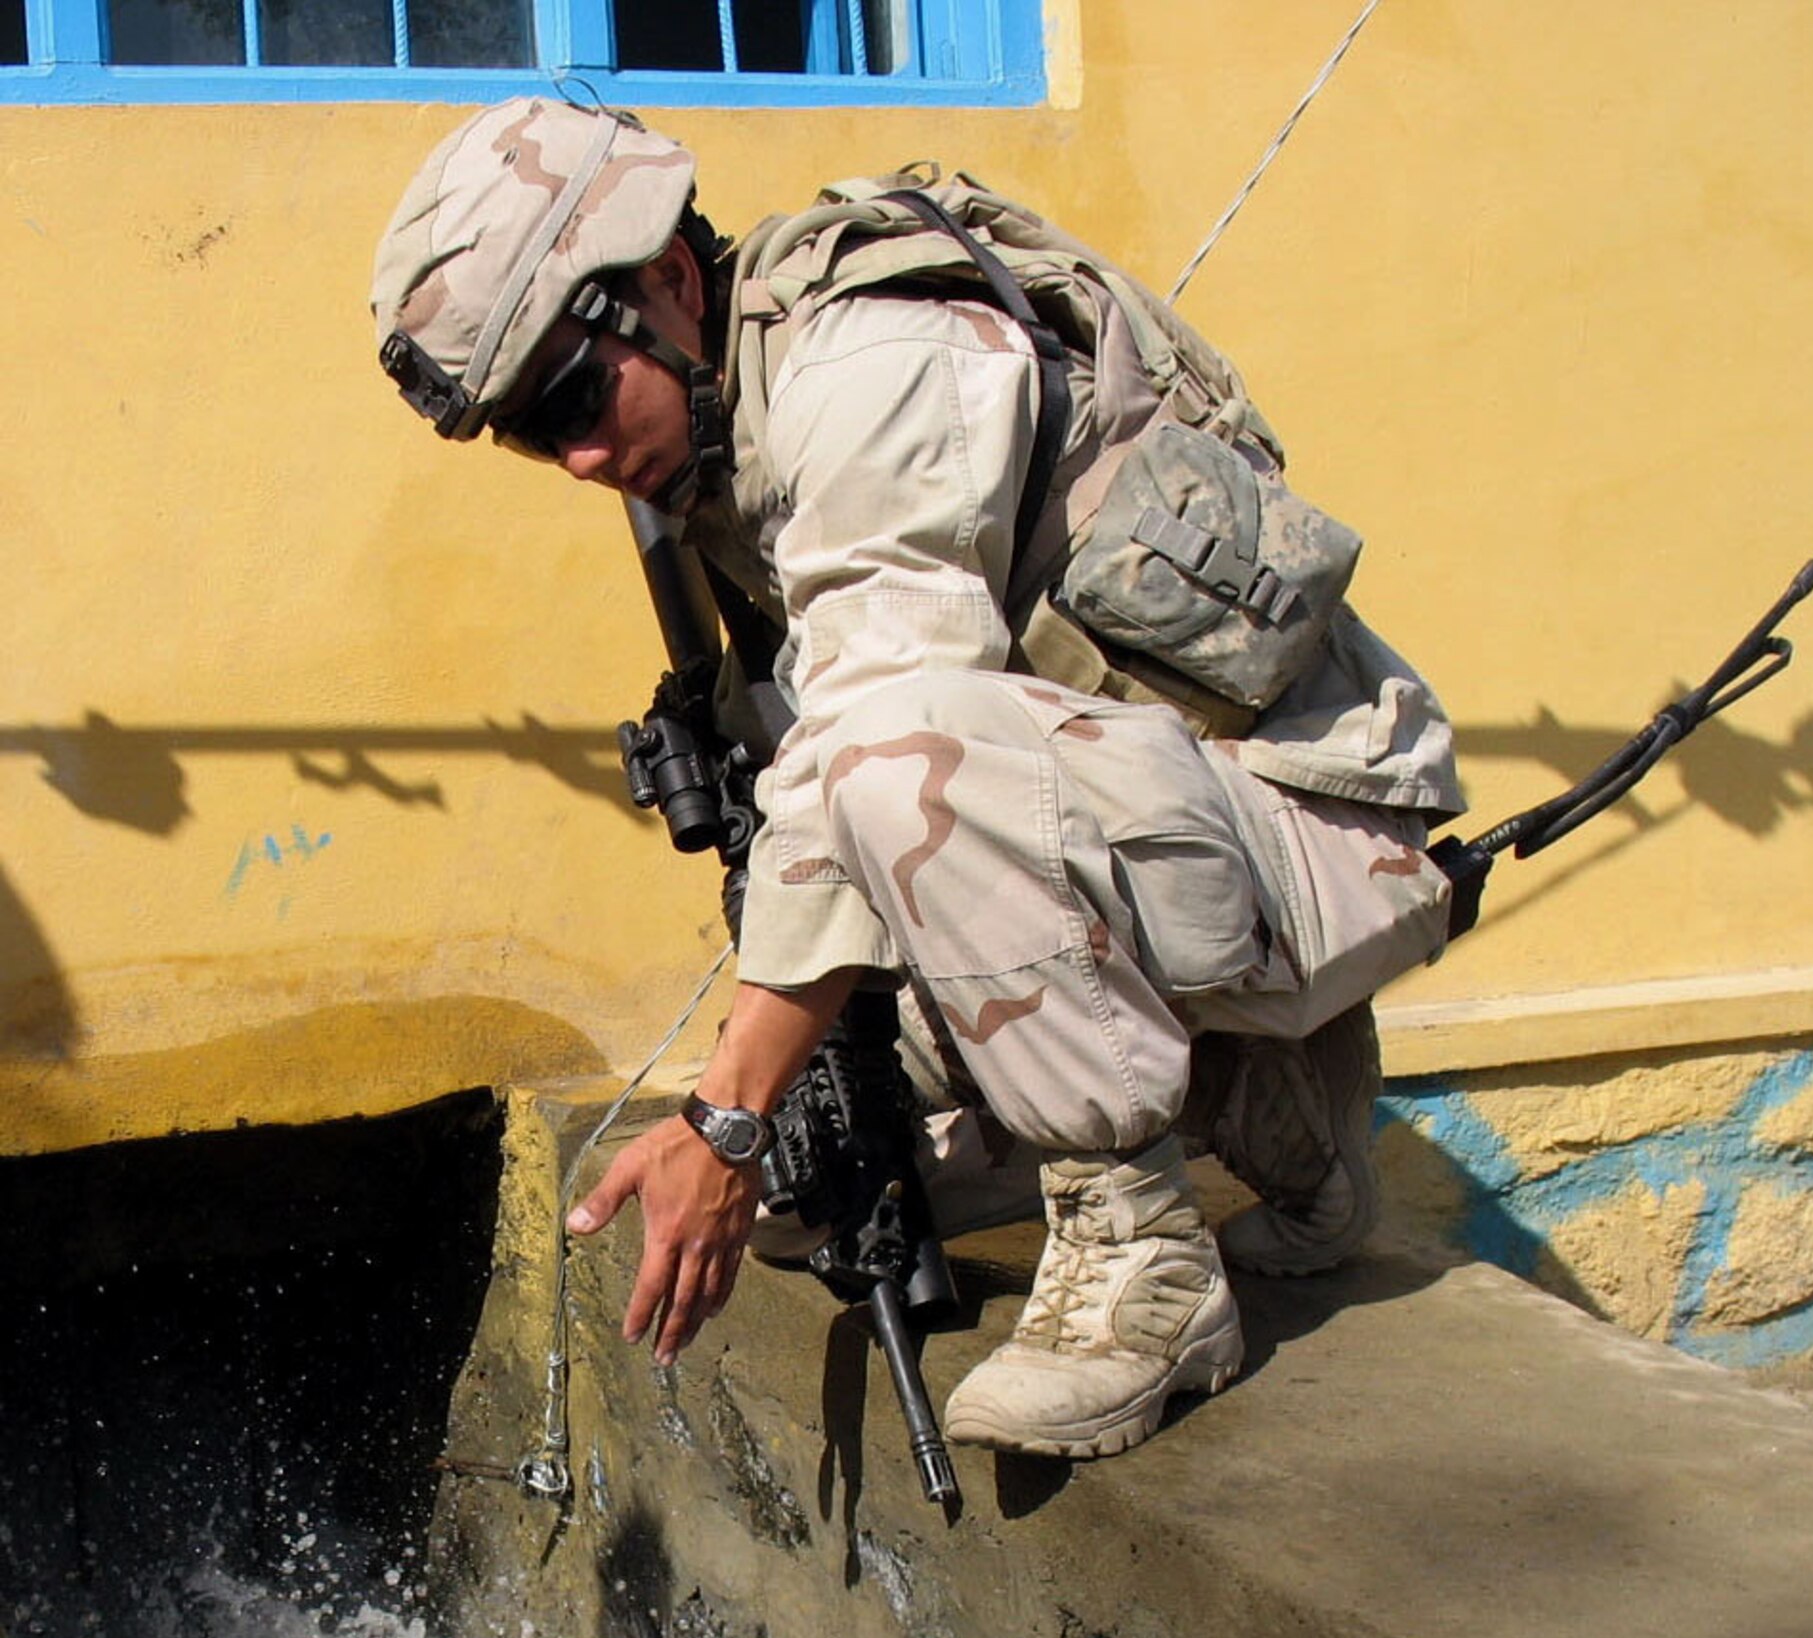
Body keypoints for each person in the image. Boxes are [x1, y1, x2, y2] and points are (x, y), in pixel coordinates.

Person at [369, 97, 1464, 1461]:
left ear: (665, 278)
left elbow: (874, 761)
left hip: (1314, 837)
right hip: (1160, 849)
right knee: (799, 1193)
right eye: (537, 434)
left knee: (892, 774)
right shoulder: (727, 431)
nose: (582, 458)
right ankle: (1282, 1117)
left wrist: (723, 1107)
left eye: (580, 396)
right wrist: (757, 1122)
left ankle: (1143, 1270)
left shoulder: (867, 362)